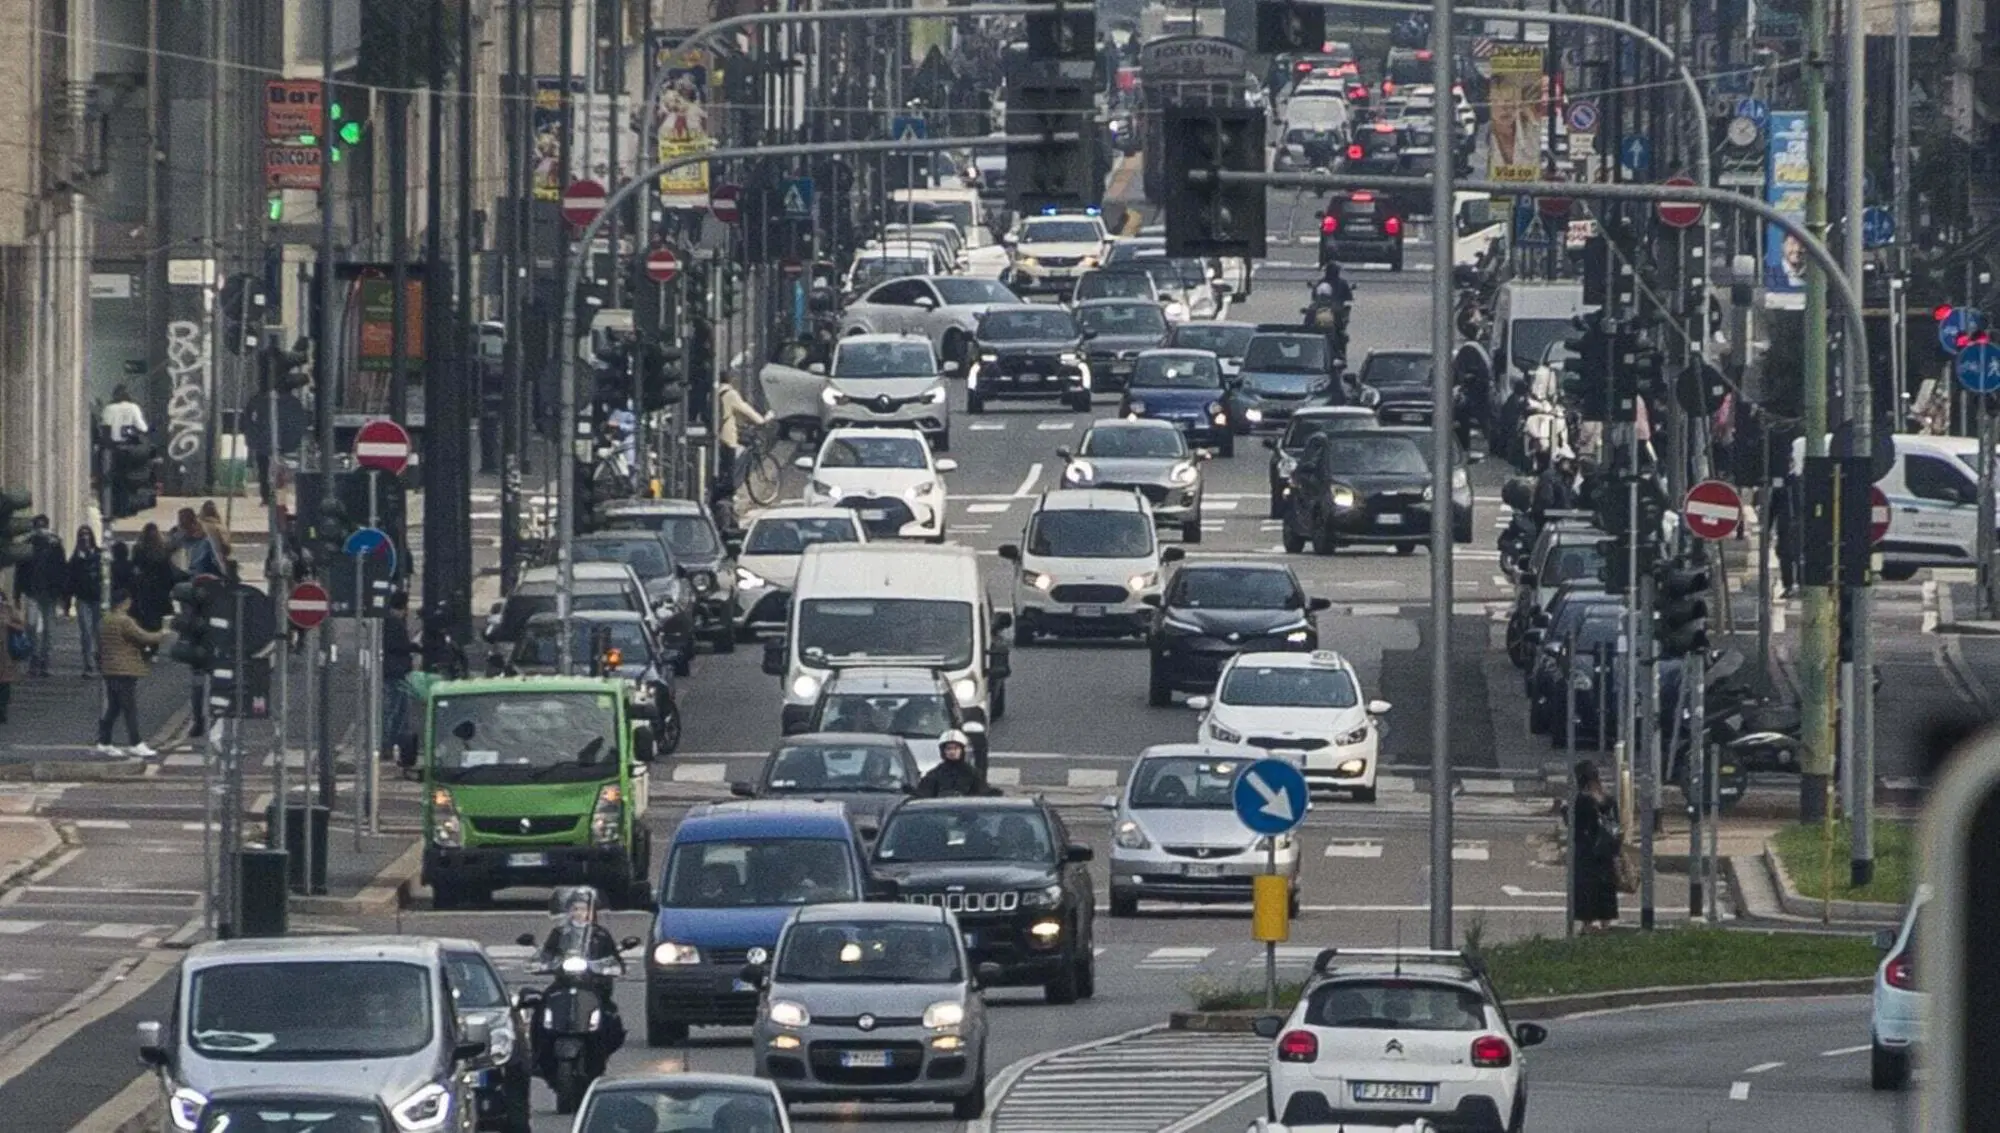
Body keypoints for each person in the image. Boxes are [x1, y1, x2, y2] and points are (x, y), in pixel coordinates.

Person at [532, 887, 627, 1054]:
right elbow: (546, 954)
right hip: (563, 983)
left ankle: (603, 1045)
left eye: (583, 909)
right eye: (575, 909)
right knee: (541, 1005)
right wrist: (542, 963)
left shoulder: (601, 935)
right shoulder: (559, 933)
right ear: (568, 911)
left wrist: (608, 967)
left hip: (593, 984)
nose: (579, 913)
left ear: (591, 912)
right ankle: (538, 1050)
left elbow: (614, 959)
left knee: (609, 1012)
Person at [96, 589, 164, 756]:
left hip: (109, 668)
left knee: (114, 706)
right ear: (124, 603)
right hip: (125, 668)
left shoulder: (104, 620)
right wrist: (163, 634)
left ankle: (104, 741)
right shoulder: (125, 621)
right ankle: (136, 742)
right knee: (129, 707)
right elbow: (144, 637)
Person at [12, 516, 67, 677]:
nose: (40, 530)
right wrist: (17, 593)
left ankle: (45, 659)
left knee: (48, 629)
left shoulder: (55, 544)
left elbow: (61, 569)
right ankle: (34, 658)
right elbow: (20, 570)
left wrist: (62, 593)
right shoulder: (28, 543)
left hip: (49, 593)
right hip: (32, 591)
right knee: (30, 625)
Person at [1571, 760, 1621, 932]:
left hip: (1587, 851)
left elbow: (1575, 826)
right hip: (1606, 851)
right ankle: (1606, 924)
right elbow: (1616, 825)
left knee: (1586, 889)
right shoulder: (1609, 799)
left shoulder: (1581, 801)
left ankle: (1587, 925)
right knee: (1606, 887)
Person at [713, 371, 770, 507]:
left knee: (722, 469)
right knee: (729, 470)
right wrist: (761, 420)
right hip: (727, 437)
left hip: (715, 437)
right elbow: (745, 410)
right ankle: (727, 500)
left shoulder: (714, 393)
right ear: (730, 380)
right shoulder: (730, 394)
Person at [381, 590, 416, 763]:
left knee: (396, 710)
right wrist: (414, 647)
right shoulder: (394, 623)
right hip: (395, 671)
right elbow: (401, 646)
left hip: (392, 671)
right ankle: (388, 744)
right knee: (396, 710)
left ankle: (390, 744)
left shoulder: (387, 621)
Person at [67, 526, 104, 677]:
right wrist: (67, 600)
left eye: (87, 534)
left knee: (99, 632)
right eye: (82, 535)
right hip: (83, 599)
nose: (85, 537)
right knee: (86, 632)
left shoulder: (99, 555)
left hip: (98, 598)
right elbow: (70, 579)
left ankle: (100, 659)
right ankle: (88, 663)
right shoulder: (76, 558)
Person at [129, 524, 179, 632]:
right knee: (162, 621)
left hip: (145, 590)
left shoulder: (138, 548)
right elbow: (169, 572)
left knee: (145, 621)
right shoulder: (164, 549)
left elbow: (135, 569)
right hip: (162, 591)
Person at [915, 730, 988, 798]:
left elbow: (981, 795)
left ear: (962, 750)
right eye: (948, 748)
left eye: (956, 748)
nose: (952, 752)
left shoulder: (973, 773)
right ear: (943, 751)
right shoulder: (935, 774)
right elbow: (924, 794)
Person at [0, 594, 22, 724]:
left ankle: (2, 709)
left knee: (4, 683)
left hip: (5, 654)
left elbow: (20, 627)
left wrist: (8, 624)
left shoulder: (7, 609)